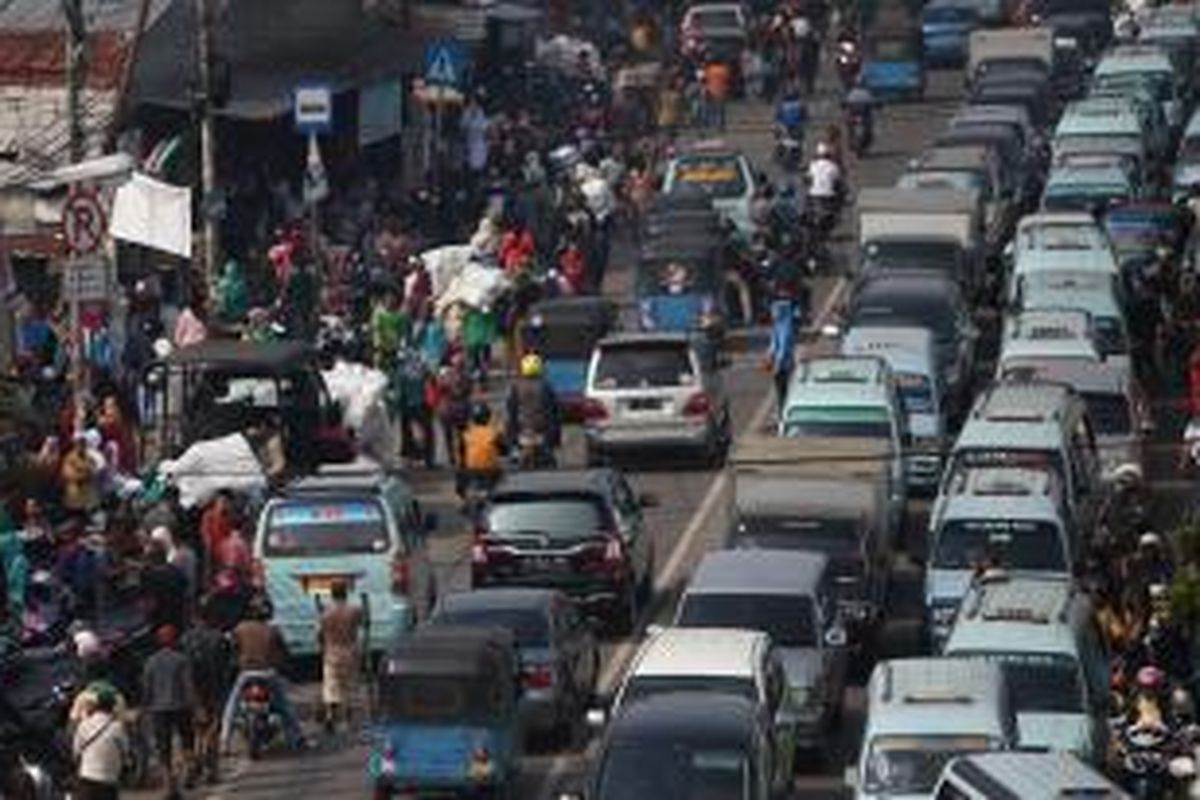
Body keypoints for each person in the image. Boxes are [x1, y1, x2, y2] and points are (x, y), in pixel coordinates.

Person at [219, 598, 305, 753]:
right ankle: (296, 737)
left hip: (246, 673)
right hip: (268, 673)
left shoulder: (240, 628)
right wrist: (286, 663)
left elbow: (230, 646)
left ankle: (224, 742)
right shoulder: (273, 630)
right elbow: (284, 652)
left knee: (231, 706)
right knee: (285, 707)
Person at [181, 603, 232, 784]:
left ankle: (194, 763)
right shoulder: (219, 638)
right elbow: (228, 666)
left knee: (195, 731)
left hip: (192, 693)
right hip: (215, 691)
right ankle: (210, 770)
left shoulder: (186, 639)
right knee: (212, 730)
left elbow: (184, 667)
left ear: (194, 618)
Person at [141, 625, 196, 796]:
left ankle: (169, 785)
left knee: (164, 748)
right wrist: (195, 706)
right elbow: (188, 686)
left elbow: (147, 688)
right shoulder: (182, 659)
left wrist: (145, 708)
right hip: (181, 707)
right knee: (187, 741)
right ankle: (187, 772)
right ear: (175, 640)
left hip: (159, 710)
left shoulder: (150, 661)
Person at [317, 582, 363, 735]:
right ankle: (349, 719)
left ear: (332, 594)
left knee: (331, 686)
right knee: (350, 685)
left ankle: (331, 716)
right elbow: (360, 625)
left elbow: (320, 634)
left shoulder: (325, 614)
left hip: (332, 652)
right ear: (346, 593)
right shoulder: (355, 610)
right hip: (350, 649)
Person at [505, 353, 561, 468]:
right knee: (551, 466)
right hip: (542, 434)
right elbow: (554, 413)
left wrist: (512, 440)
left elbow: (511, 413)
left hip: (522, 433)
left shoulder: (515, 387)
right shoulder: (546, 387)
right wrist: (555, 438)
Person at [73, 687, 129, 800]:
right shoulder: (117, 727)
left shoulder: (84, 725)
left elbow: (75, 752)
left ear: (96, 705)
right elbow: (125, 753)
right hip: (109, 783)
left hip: (87, 781)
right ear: (112, 707)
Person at [457, 402, 504, 499]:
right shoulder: (494, 432)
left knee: (461, 473)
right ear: (488, 417)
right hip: (491, 471)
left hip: (471, 471)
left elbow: (462, 457)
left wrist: (460, 485)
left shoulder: (466, 433)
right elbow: (504, 449)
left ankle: (462, 499)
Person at [701, 57, 731, 130]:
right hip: (721, 90)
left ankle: (710, 123)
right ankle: (720, 125)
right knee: (720, 109)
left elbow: (704, 78)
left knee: (711, 108)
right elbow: (728, 78)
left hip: (711, 89)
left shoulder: (710, 69)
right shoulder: (724, 69)